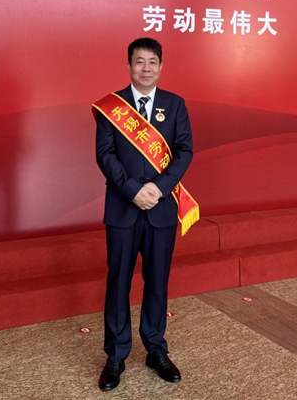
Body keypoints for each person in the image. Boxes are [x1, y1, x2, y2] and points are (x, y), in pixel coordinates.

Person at [93, 37, 193, 392]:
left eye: (152, 62)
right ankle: (116, 355)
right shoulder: (111, 107)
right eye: (139, 61)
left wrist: (159, 188)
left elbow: (184, 151)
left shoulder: (175, 104)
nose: (146, 68)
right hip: (123, 208)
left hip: (160, 209)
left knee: (158, 282)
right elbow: (105, 155)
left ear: (161, 67)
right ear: (128, 66)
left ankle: (156, 349)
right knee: (118, 281)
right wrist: (133, 190)